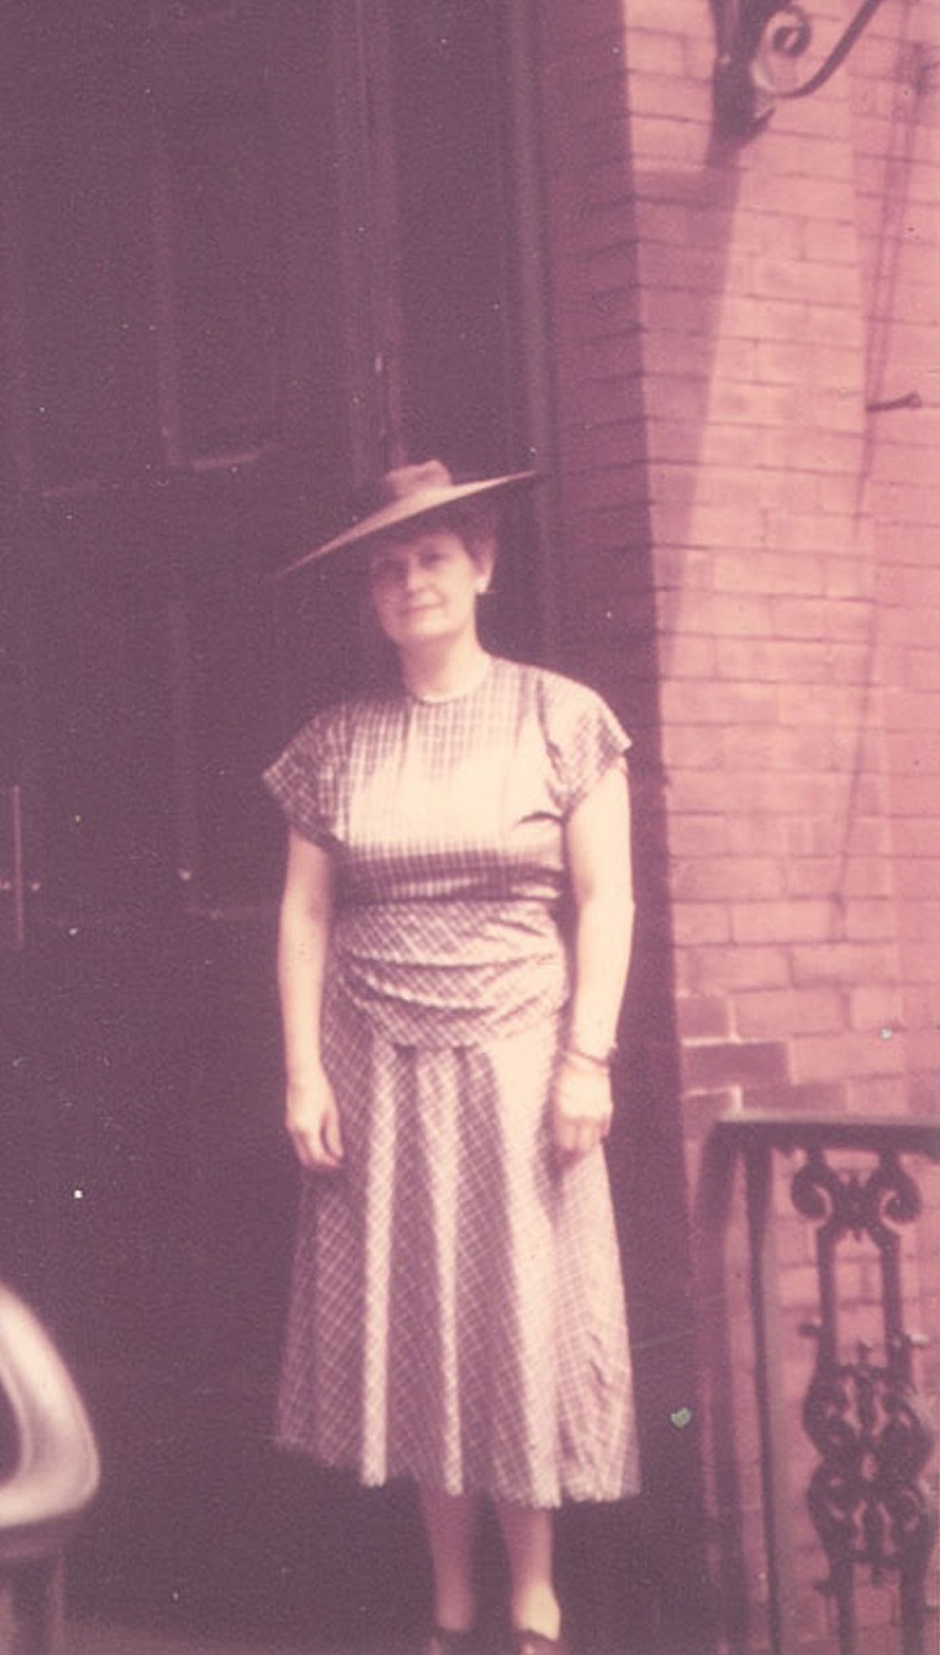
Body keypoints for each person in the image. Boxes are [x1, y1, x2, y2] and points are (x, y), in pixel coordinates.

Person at [268, 459, 638, 1655]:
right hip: (375, 1058)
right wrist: (301, 1072)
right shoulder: (333, 740)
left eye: (433, 557)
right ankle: (447, 1602)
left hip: (520, 1060)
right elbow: (304, 917)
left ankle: (532, 1596)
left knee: (515, 1312)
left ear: (481, 564)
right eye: (386, 566)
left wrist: (587, 1055)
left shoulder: (561, 716)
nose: (409, 582)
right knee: (419, 1312)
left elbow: (605, 894)